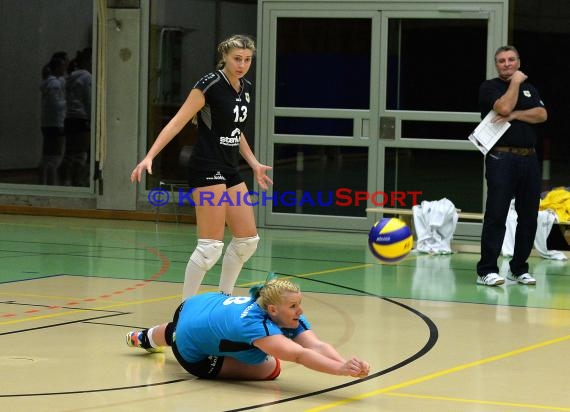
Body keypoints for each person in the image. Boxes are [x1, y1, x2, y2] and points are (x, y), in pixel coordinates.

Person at [131, 35, 272, 299]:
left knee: (247, 241)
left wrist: (253, 163)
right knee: (210, 248)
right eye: (237, 59)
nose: (242, 64)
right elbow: (177, 122)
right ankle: (185, 310)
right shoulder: (210, 84)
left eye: (247, 59)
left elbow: (235, 131)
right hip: (207, 165)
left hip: (229, 167)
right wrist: (149, 155)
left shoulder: (246, 87)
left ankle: (223, 298)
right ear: (225, 57)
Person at [126, 276, 370, 380]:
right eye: (294, 305)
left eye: (300, 304)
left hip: (192, 307)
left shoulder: (280, 310)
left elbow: (315, 344)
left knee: (191, 329)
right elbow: (300, 354)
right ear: (273, 310)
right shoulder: (255, 325)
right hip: (192, 355)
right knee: (272, 367)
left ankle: (144, 337)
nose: (300, 311)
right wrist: (340, 370)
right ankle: (159, 338)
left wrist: (346, 364)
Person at [476, 45, 548, 286]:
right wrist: (515, 82)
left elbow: (541, 115)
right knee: (497, 214)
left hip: (529, 159)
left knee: (529, 216)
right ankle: (486, 270)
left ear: (518, 61)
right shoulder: (490, 87)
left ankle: (518, 268)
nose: (507, 64)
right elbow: (503, 108)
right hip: (501, 158)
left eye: (511, 60)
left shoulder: (531, 89)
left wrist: (516, 116)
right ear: (496, 65)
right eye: (501, 61)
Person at [61, 47, 92, 187]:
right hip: (81, 118)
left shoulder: (70, 76)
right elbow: (88, 99)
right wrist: (92, 118)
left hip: (69, 118)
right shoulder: (86, 76)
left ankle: (66, 180)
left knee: (70, 153)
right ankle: (78, 182)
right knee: (80, 154)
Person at [39, 55, 67, 185]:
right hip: (55, 123)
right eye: (62, 66)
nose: (65, 68)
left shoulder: (47, 83)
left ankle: (43, 182)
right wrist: (67, 103)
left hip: (47, 123)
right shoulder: (54, 84)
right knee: (55, 156)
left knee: (47, 156)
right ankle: (51, 183)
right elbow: (55, 104)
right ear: (57, 68)